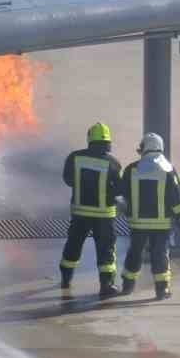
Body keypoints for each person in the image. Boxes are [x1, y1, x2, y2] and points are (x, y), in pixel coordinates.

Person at [118, 133, 180, 300]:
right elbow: (176, 196)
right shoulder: (167, 168)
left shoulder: (131, 169)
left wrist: (126, 210)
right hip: (161, 224)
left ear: (144, 149)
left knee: (134, 253)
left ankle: (127, 286)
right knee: (160, 254)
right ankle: (161, 290)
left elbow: (121, 193)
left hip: (137, 223)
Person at [60, 121, 122, 300]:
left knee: (73, 245)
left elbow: (68, 179)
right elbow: (119, 188)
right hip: (104, 216)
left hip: (80, 213)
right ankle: (106, 285)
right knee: (106, 250)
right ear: (108, 141)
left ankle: (66, 279)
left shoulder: (75, 157)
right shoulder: (113, 163)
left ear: (90, 139)